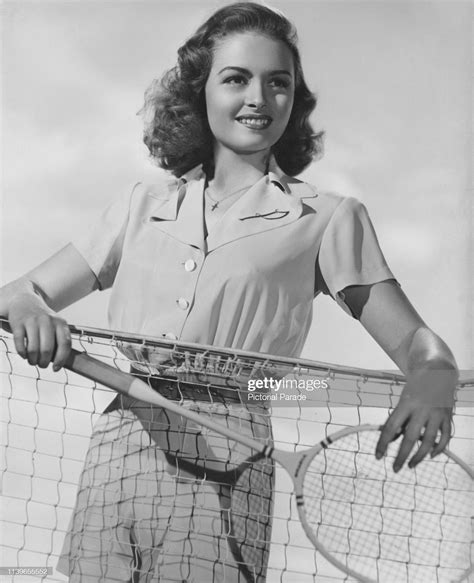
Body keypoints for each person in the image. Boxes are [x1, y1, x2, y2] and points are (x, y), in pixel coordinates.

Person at [0, 2, 458, 581]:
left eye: (278, 83)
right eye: (236, 78)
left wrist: (435, 376)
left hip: (230, 457)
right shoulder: (141, 206)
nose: (259, 99)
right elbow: (21, 293)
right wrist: (30, 310)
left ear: (295, 99)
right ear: (202, 91)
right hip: (117, 451)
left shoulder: (328, 218)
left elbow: (418, 343)